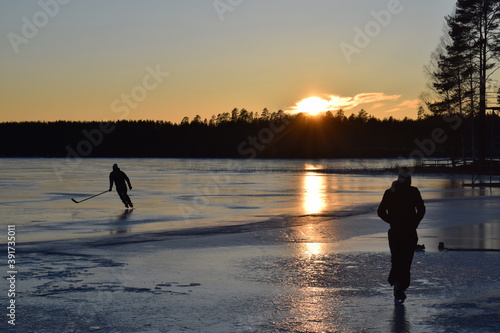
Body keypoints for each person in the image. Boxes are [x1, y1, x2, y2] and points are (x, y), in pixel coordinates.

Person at [377, 170, 425, 303]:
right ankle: (399, 287)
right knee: (404, 261)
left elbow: (381, 212)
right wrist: (414, 222)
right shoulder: (411, 192)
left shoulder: (393, 192)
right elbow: (421, 210)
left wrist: (393, 221)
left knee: (399, 260)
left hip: (399, 231)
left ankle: (398, 285)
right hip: (405, 231)